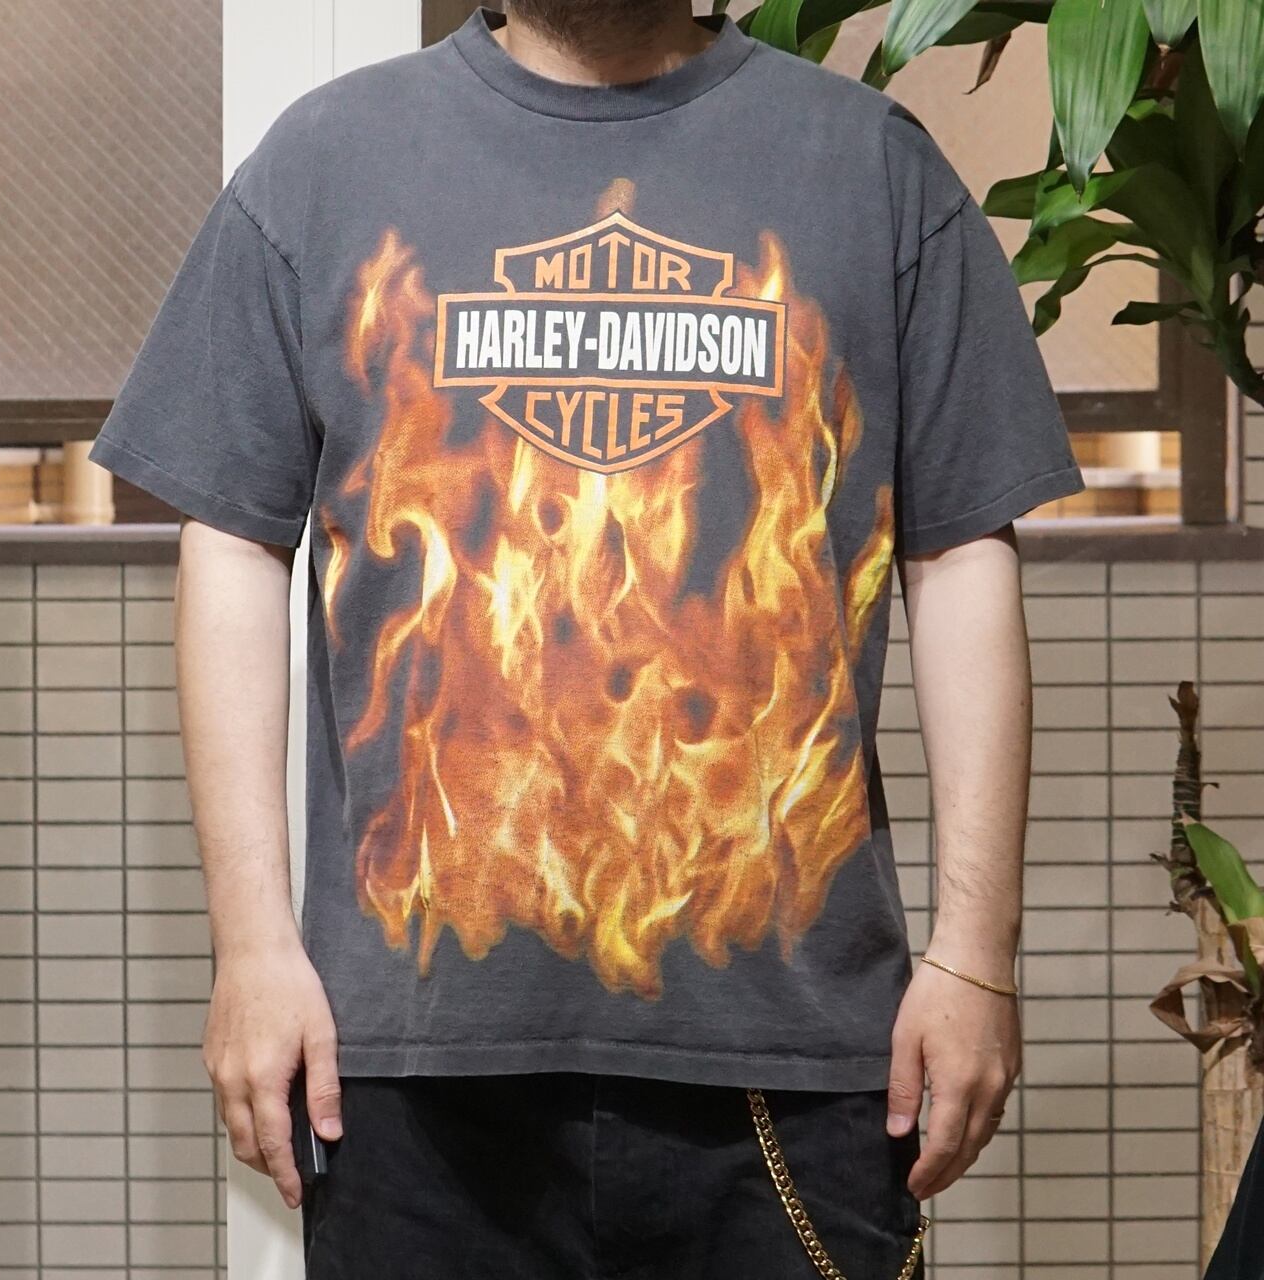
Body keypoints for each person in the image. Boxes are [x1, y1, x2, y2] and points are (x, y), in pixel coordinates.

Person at [88, 2, 1086, 1275]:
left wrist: (976, 956)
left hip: (791, 1059)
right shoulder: (325, 162)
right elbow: (231, 544)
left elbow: (959, 556)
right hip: (408, 1060)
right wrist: (251, 946)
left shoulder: (869, 166)